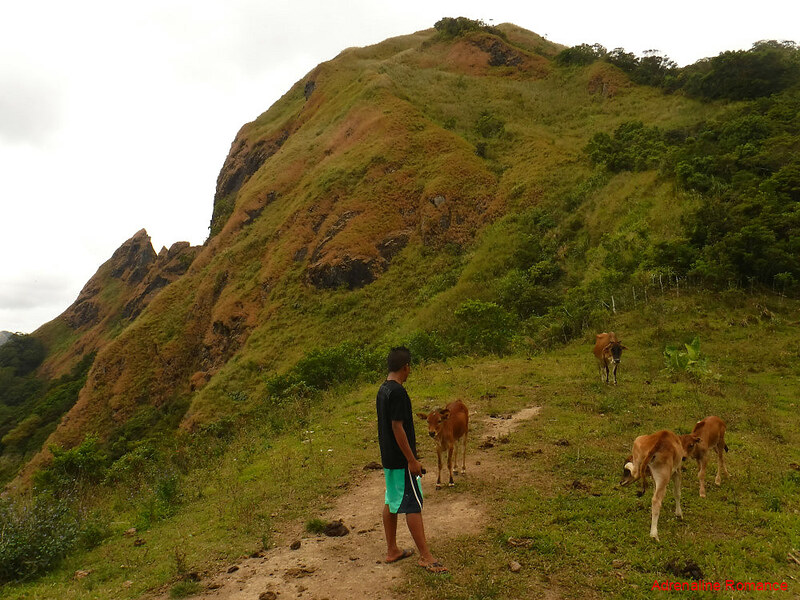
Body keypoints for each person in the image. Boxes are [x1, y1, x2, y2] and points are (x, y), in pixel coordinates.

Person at [376, 346, 448, 574]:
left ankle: (392, 550)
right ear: (406, 367)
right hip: (401, 460)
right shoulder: (398, 393)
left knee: (392, 500)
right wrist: (412, 460)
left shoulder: (383, 390)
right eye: (410, 368)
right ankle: (426, 557)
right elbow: (397, 427)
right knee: (413, 505)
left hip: (388, 458)